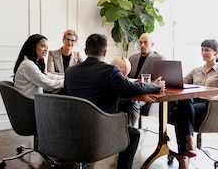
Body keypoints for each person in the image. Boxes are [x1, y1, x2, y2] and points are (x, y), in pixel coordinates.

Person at [64, 33, 165, 169]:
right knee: (133, 134)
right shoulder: (110, 71)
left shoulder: (70, 71)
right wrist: (156, 85)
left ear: (85, 51)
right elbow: (132, 88)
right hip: (101, 129)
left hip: (72, 127)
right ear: (105, 52)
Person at [170, 39, 218, 169]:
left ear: (216, 52)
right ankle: (188, 146)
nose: (203, 52)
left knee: (179, 113)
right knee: (181, 108)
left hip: (210, 105)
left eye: (207, 50)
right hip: (192, 103)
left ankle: (184, 157)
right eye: (202, 49)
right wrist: (169, 79)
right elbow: (180, 82)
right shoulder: (196, 70)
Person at [119, 33, 166, 127]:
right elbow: (127, 76)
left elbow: (160, 81)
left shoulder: (159, 59)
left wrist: (150, 84)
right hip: (132, 89)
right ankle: (119, 129)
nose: (142, 45)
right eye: (140, 43)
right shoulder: (132, 58)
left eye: (145, 43)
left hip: (146, 93)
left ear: (152, 44)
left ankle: (131, 131)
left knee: (133, 101)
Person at [13, 34, 64, 99]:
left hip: (32, 101)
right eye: (43, 46)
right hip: (29, 104)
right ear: (33, 47)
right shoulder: (28, 64)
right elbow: (48, 84)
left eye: (47, 47)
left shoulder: (33, 63)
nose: (46, 50)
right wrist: (68, 82)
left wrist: (66, 77)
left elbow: (46, 76)